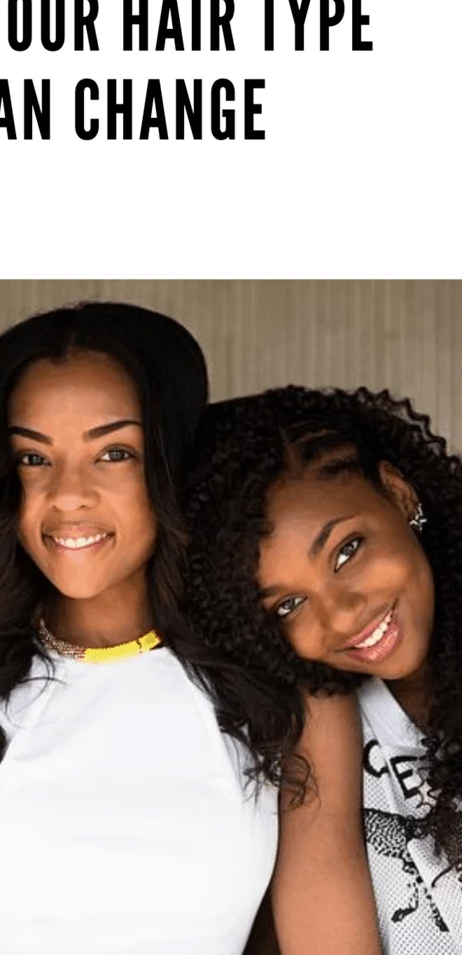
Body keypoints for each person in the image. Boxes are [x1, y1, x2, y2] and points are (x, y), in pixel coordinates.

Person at [0, 304, 378, 955]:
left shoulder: (291, 691)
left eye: (113, 452)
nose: (69, 494)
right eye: (33, 457)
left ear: (166, 461)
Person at [182, 385, 462, 953]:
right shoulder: (320, 715)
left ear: (398, 494)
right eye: (287, 605)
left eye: (346, 551)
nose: (341, 615)